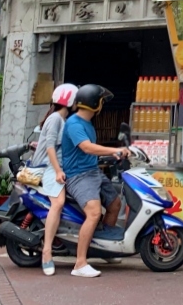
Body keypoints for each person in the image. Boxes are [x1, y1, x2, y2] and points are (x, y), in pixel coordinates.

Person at [60, 84, 129, 278]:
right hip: (78, 176)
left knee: (115, 203)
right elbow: (87, 148)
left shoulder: (87, 123)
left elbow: (91, 152)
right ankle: (80, 263)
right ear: (94, 104)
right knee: (94, 212)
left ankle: (105, 248)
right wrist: (113, 150)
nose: (103, 105)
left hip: (93, 172)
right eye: (101, 101)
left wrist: (111, 156)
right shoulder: (74, 124)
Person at [30, 83, 78, 276]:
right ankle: (47, 252)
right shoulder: (56, 119)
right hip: (48, 168)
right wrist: (58, 171)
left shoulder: (61, 119)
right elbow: (50, 147)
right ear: (71, 101)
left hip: (56, 166)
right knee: (58, 203)